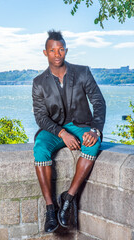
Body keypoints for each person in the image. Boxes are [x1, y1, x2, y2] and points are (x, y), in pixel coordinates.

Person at [32, 30, 106, 233]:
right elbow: (40, 117)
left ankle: (68, 198)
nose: (58, 54)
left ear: (66, 51)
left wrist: (95, 130)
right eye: (52, 50)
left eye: (61, 49)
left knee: (93, 144)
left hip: (81, 125)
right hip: (54, 129)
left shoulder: (82, 72)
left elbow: (99, 102)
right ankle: (50, 208)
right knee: (40, 149)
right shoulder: (39, 82)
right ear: (45, 53)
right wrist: (61, 133)